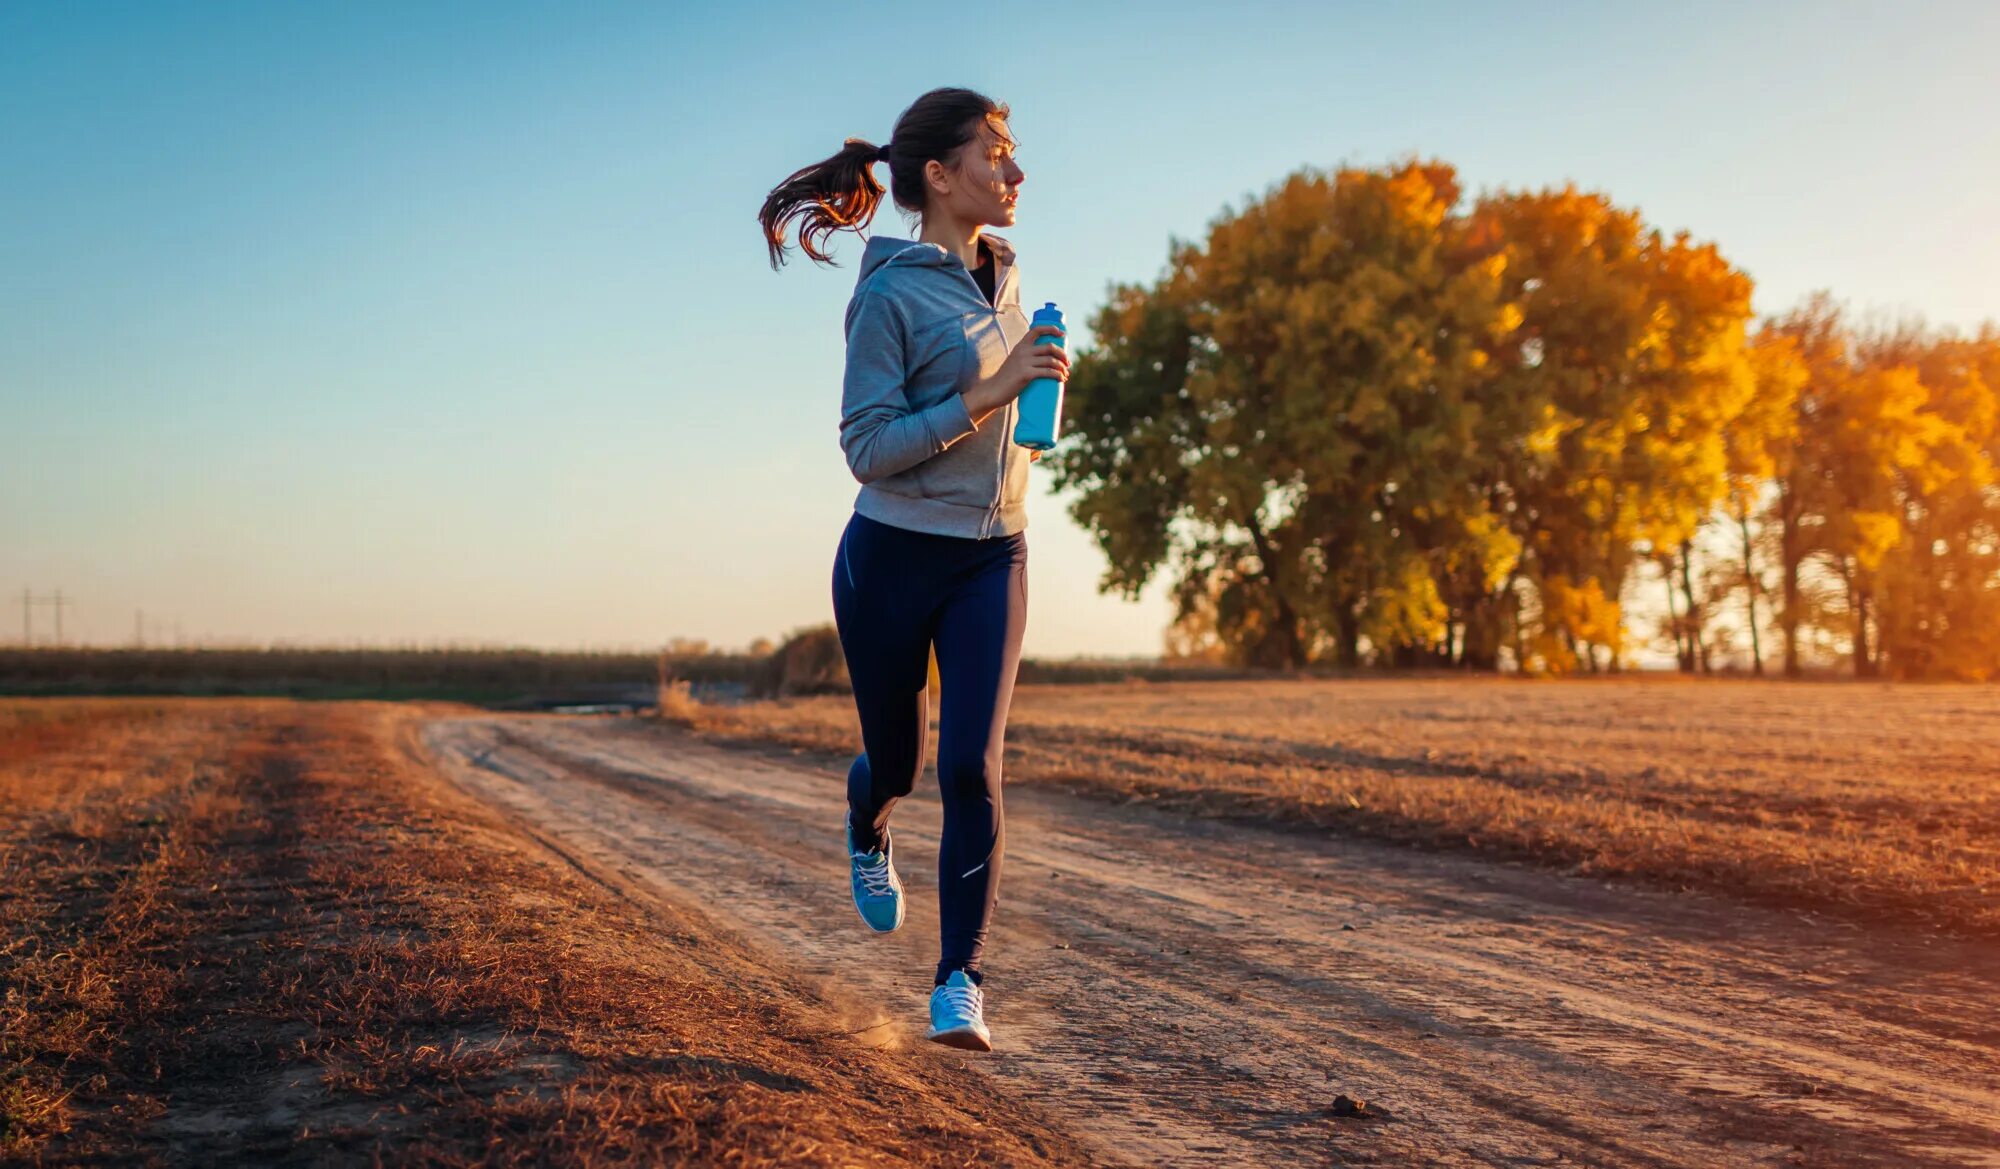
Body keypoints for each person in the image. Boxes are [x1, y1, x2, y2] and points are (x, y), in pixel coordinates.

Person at [757, 87, 1067, 1051]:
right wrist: (993, 390)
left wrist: (1036, 391)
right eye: (997, 154)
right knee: (901, 761)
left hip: (993, 555)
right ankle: (867, 823)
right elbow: (867, 447)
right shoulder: (886, 294)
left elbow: (998, 411)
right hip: (891, 555)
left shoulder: (1008, 276)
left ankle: (959, 983)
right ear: (940, 175)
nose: (1016, 171)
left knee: (973, 765)